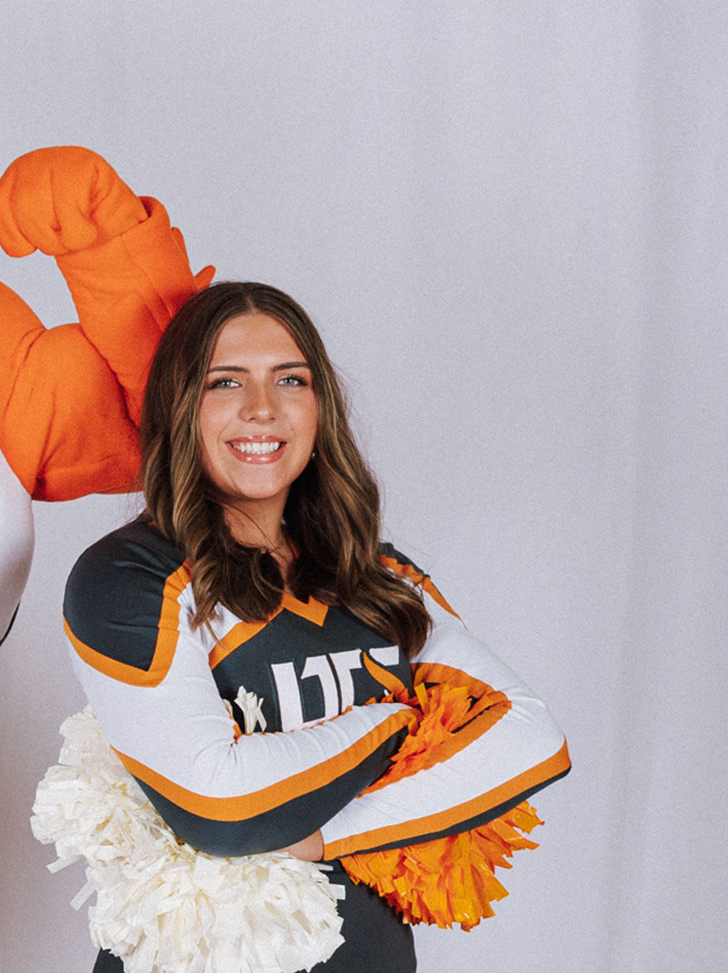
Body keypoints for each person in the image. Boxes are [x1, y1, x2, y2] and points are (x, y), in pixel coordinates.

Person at [62, 281, 569, 972]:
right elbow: (220, 806)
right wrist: (396, 723)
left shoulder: (384, 579)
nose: (261, 409)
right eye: (225, 383)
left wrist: (328, 833)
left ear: (319, 406)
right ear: (181, 408)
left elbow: (526, 737)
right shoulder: (129, 577)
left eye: (290, 380)